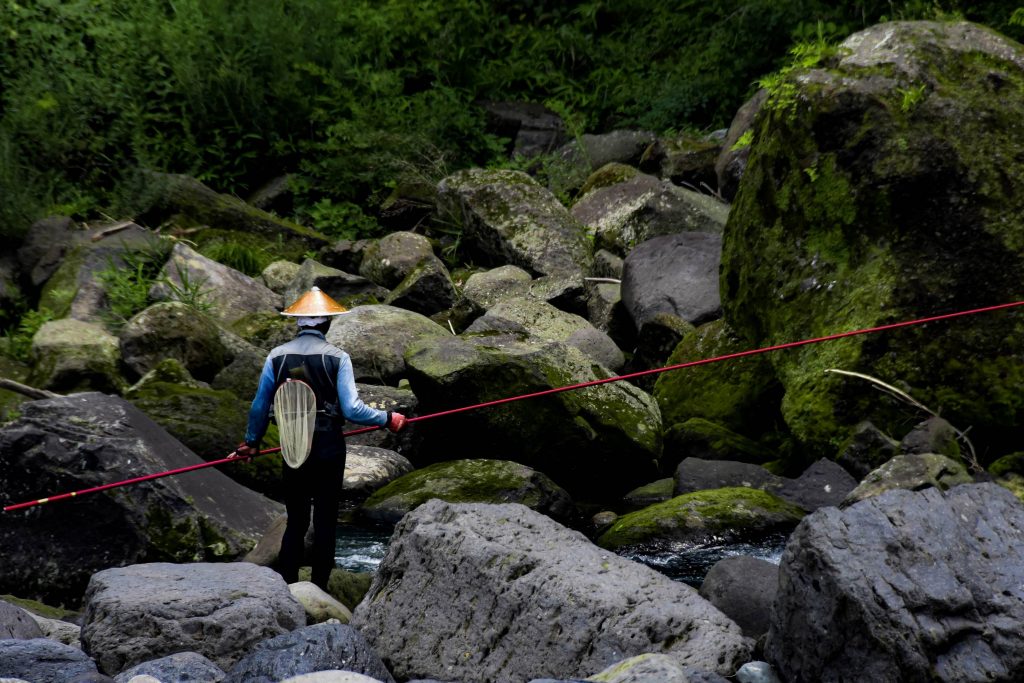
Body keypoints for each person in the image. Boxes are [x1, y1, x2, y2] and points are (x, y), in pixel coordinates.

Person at [232, 286, 406, 589]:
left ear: (298, 323)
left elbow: (260, 406)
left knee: (296, 520)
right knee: (325, 520)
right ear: (326, 324)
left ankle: (285, 587)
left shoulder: (276, 356)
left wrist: (251, 442)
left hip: (293, 446)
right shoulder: (338, 358)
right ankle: (320, 587)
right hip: (328, 447)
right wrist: (387, 418)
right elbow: (352, 409)